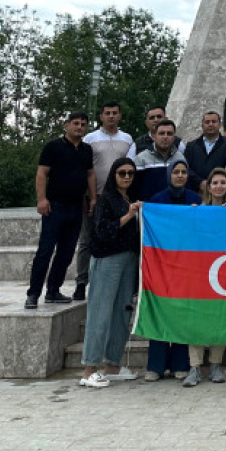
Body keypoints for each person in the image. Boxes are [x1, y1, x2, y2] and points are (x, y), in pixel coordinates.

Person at [78, 157, 142, 388]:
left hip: (129, 260)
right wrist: (128, 216)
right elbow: (102, 231)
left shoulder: (131, 199)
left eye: (130, 173)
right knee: (100, 312)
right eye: (122, 173)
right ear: (114, 174)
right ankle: (89, 369)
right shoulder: (105, 200)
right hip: (107, 259)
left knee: (122, 313)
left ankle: (112, 365)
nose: (126, 177)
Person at [26, 111, 96, 309]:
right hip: (54, 206)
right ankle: (33, 294)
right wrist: (41, 199)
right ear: (67, 125)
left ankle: (53, 291)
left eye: (83, 124)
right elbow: (42, 173)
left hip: (76, 207)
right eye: (76, 123)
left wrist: (92, 198)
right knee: (45, 251)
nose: (79, 127)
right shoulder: (53, 147)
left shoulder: (86, 150)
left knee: (66, 253)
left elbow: (90, 175)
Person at [144, 159, 200, 382]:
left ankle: (180, 363)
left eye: (183, 172)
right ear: (169, 175)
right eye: (176, 172)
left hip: (187, 264)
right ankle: (156, 366)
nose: (180, 176)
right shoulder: (157, 201)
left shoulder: (195, 199)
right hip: (162, 264)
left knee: (182, 313)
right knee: (160, 311)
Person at [74, 101, 133, 301]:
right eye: (107, 113)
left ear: (120, 115)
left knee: (115, 235)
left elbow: (129, 167)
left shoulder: (127, 139)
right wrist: (87, 196)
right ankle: (81, 282)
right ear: (101, 116)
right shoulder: (90, 139)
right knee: (86, 239)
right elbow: (84, 169)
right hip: (95, 195)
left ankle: (111, 282)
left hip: (118, 197)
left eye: (114, 113)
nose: (111, 116)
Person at [183, 168, 226, 387]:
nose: (219, 186)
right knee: (197, 317)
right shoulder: (199, 210)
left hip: (224, 272)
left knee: (219, 317)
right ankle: (194, 366)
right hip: (201, 272)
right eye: (215, 183)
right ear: (208, 186)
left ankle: (215, 364)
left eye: (223, 182)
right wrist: (194, 217)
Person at [133, 119, 200, 201]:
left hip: (174, 207)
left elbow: (185, 185)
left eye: (169, 134)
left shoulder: (180, 157)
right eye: (161, 133)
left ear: (174, 137)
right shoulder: (141, 158)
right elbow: (135, 188)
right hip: (150, 206)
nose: (165, 137)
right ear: (154, 136)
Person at [184, 110, 226, 183]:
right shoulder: (191, 147)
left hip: (220, 187)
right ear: (202, 125)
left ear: (220, 124)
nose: (210, 124)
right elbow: (186, 168)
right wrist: (200, 183)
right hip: (196, 188)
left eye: (214, 122)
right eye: (207, 122)